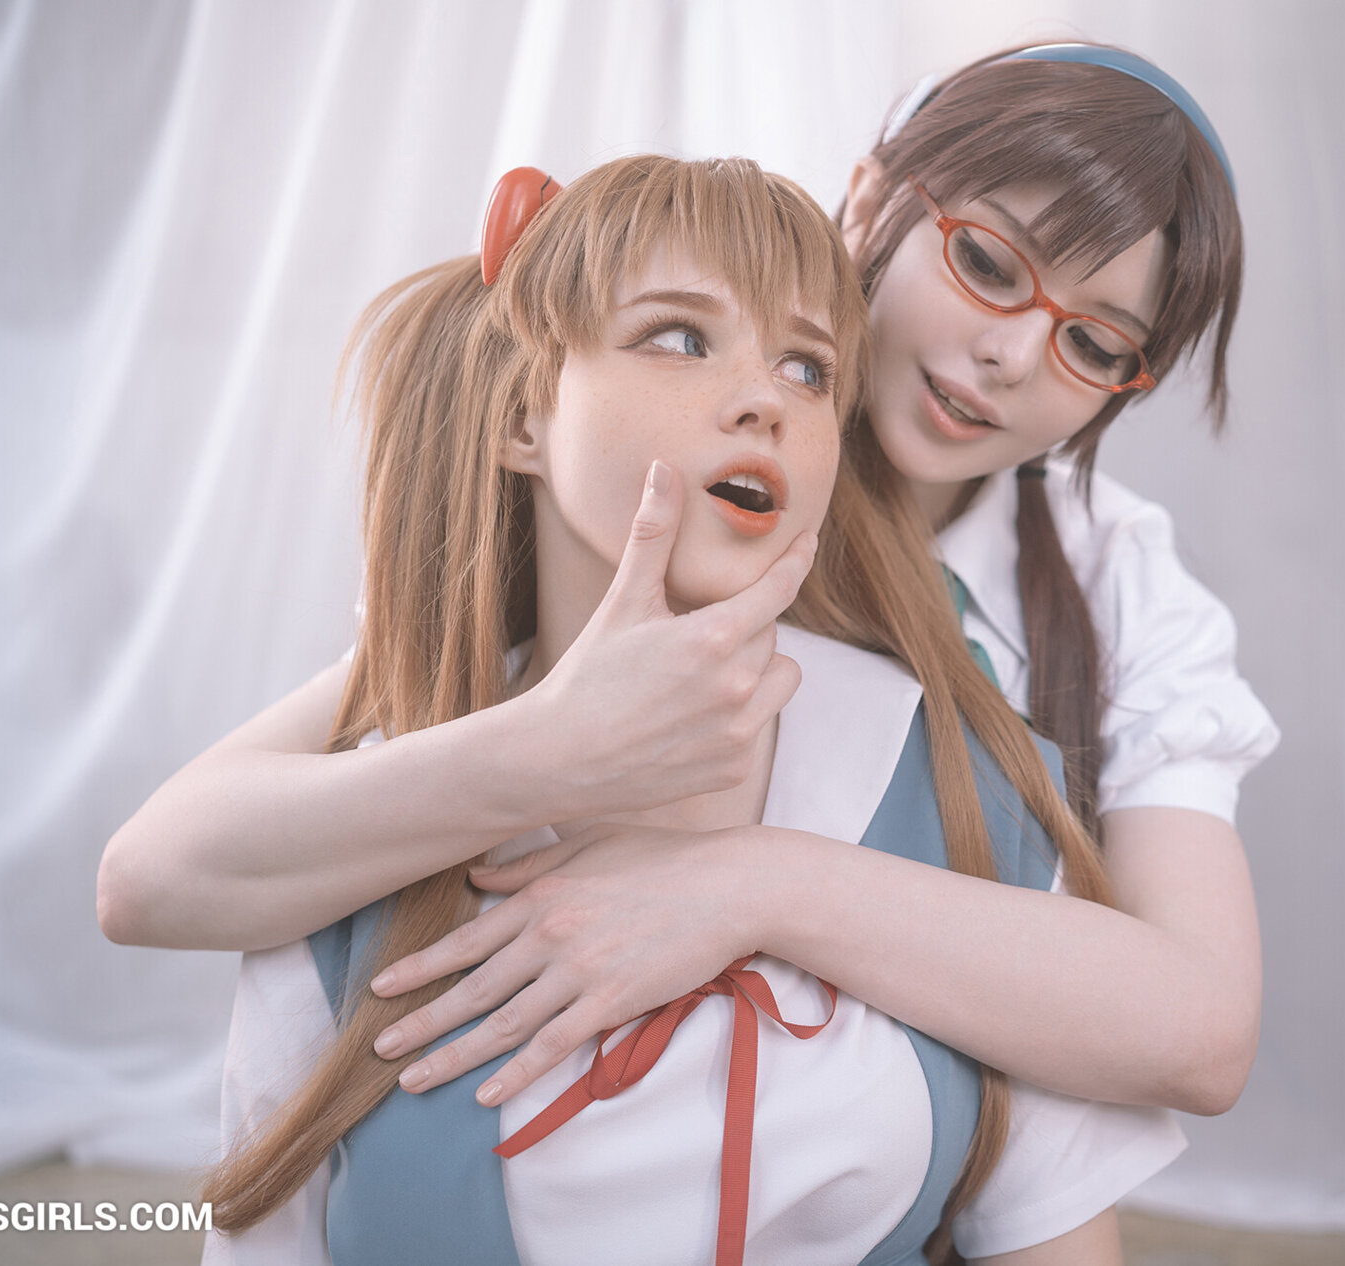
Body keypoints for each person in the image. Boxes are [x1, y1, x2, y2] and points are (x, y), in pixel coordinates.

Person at [100, 35, 1272, 1156]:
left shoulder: (1115, 581)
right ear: (869, 202)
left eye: (1093, 343)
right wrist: (549, 748)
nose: (1010, 354)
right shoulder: (638, 480)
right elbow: (155, 877)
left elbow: (1201, 1033)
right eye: (988, 265)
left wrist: (753, 885)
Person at [198, 154, 1181, 1265]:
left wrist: (760, 884)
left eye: (808, 368)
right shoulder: (344, 832)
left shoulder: (971, 789)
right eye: (677, 337)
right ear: (523, 416)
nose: (766, 399)